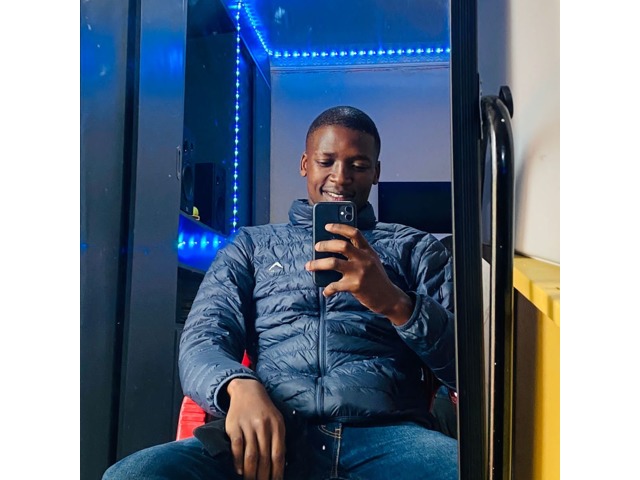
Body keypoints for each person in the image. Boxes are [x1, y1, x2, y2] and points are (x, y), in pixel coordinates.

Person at [103, 105, 458, 480]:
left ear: (376, 172)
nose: (341, 177)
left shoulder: (415, 247)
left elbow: (465, 367)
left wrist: (397, 303)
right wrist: (237, 385)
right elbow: (203, 337)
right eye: (326, 161)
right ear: (305, 164)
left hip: (388, 435)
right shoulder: (251, 246)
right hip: (270, 431)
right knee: (132, 475)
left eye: (358, 165)